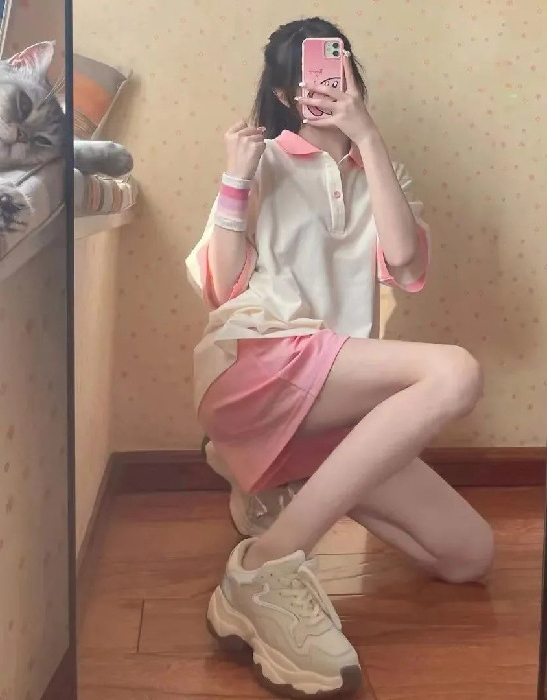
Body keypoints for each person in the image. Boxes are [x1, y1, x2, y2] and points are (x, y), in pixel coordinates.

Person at [185, 17, 494, 699]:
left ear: (351, 76)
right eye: (306, 77)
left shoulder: (377, 166)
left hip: (333, 392)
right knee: (456, 371)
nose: (322, 85)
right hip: (257, 362)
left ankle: (271, 477)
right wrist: (235, 178)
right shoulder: (263, 160)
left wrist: (368, 138)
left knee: (469, 556)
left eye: (335, 70)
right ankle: (264, 567)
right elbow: (222, 287)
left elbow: (406, 262)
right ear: (283, 92)